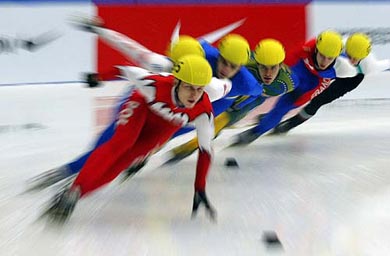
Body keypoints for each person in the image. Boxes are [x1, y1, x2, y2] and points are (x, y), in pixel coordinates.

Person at [27, 33, 231, 191]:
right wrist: (99, 35)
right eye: (174, 69)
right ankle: (71, 171)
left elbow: (226, 86)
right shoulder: (156, 67)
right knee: (114, 144)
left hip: (166, 118)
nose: (176, 76)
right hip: (142, 102)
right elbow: (126, 50)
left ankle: (81, 176)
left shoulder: (207, 86)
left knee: (138, 148)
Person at [41, 55, 217, 224]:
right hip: (141, 107)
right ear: (176, 82)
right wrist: (99, 77)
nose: (194, 95)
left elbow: (206, 151)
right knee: (122, 143)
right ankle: (74, 188)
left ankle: (74, 195)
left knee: (127, 159)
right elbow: (122, 70)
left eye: (199, 89)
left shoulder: (203, 112)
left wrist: (199, 186)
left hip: (165, 126)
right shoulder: (154, 84)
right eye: (189, 87)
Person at [162, 39, 299, 163]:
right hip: (226, 90)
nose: (267, 74)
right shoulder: (246, 65)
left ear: (281, 66)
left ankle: (189, 146)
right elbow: (201, 47)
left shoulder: (285, 83)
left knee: (218, 120)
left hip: (241, 99)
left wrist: (244, 113)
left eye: (273, 68)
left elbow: (257, 97)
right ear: (255, 63)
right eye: (262, 67)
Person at [231, 30, 344, 146]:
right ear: (316, 49)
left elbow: (312, 92)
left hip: (314, 82)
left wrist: (294, 103)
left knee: (284, 106)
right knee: (268, 86)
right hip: (300, 70)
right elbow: (290, 58)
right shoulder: (309, 46)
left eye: (330, 58)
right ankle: (239, 109)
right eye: (322, 56)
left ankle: (255, 132)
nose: (324, 62)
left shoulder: (342, 67)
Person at [269, 32, 390, 134]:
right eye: (349, 56)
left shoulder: (370, 66)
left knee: (318, 100)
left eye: (356, 59)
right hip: (333, 68)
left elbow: (386, 64)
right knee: (303, 90)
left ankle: (290, 124)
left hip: (350, 80)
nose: (352, 61)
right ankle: (274, 115)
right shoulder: (337, 44)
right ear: (344, 49)